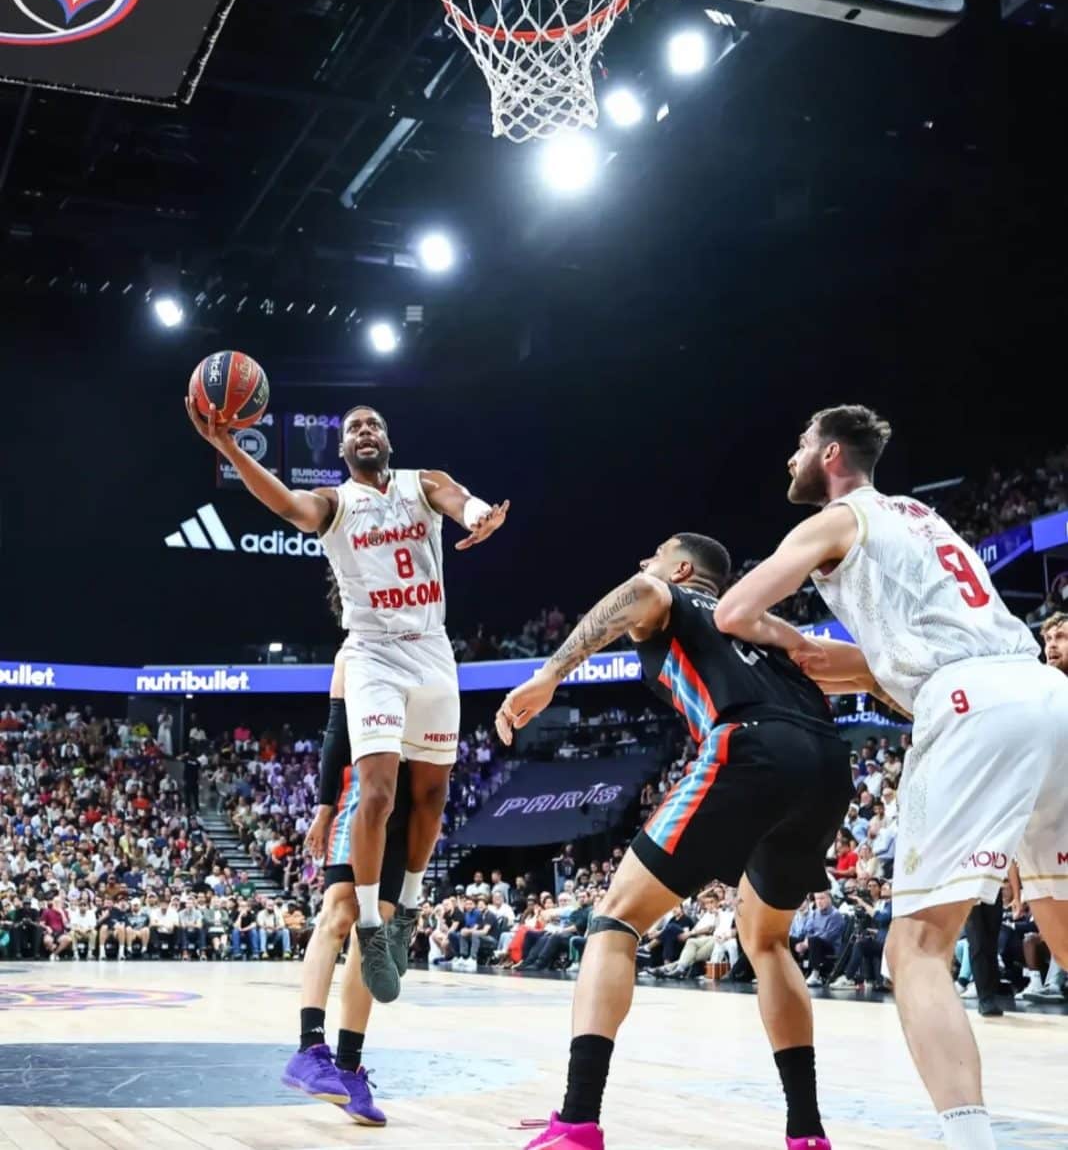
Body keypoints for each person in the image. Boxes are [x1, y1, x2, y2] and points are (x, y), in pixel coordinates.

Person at [714, 404, 1068, 1150]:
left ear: (831, 454)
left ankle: (969, 1142)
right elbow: (878, 666)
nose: (790, 457)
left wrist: (780, 638)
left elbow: (734, 611)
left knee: (915, 950)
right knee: (1064, 925)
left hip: (971, 704)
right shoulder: (925, 520)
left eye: (801, 444)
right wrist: (816, 656)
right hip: (1044, 693)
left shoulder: (837, 519)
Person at [495, 533, 854, 1150]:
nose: (644, 562)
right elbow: (861, 672)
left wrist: (549, 676)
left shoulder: (675, 598)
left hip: (750, 745)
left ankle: (577, 1121)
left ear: (684, 569)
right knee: (767, 941)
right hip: (826, 763)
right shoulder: (767, 629)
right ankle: (807, 1133)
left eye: (657, 553)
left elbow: (639, 589)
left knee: (614, 920)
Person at [186, 398, 508, 1003]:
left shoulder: (421, 482)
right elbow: (288, 504)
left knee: (432, 794)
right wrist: (228, 447)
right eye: (353, 427)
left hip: (432, 651)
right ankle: (369, 925)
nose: (364, 431)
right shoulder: (334, 502)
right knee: (378, 791)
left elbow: (459, 500)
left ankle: (407, 908)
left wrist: (479, 515)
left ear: (387, 439)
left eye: (373, 424)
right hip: (372, 656)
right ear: (341, 449)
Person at [280, 648, 412, 1127]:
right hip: (361, 787)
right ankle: (309, 1047)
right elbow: (336, 730)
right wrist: (323, 808)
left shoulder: (430, 651)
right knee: (339, 912)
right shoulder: (353, 653)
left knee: (376, 933)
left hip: (407, 800)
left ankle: (350, 1067)